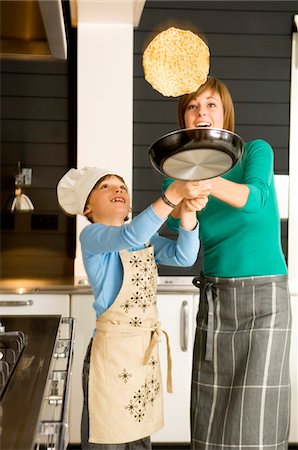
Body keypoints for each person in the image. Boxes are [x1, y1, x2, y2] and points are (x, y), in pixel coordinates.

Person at [163, 77, 292, 449]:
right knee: (211, 418)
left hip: (266, 304)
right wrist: (187, 205)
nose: (201, 113)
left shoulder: (256, 152)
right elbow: (185, 240)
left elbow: (255, 199)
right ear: (183, 117)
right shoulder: (175, 173)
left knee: (258, 421)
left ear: (225, 115)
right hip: (216, 300)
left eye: (210, 105)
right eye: (192, 106)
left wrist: (203, 179)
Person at [57, 166, 211, 449]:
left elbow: (184, 256)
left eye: (122, 186)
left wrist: (188, 211)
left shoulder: (144, 239)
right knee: (108, 438)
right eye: (105, 186)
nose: (118, 189)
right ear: (87, 207)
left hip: (143, 355)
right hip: (111, 355)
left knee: (139, 437)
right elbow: (128, 236)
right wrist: (171, 196)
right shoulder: (92, 236)